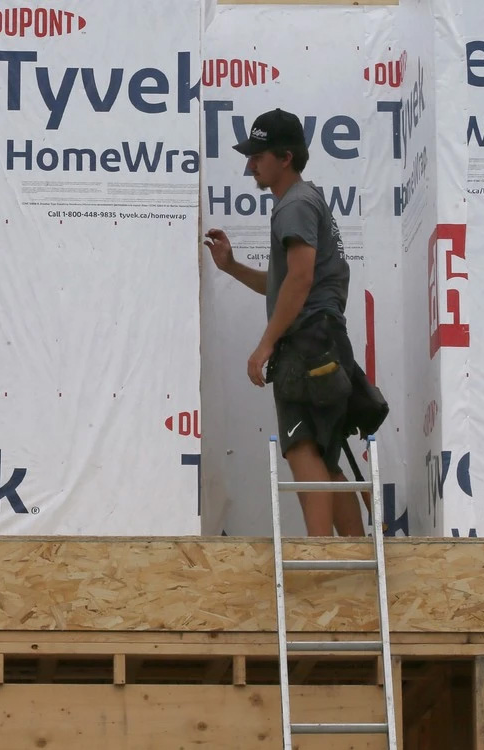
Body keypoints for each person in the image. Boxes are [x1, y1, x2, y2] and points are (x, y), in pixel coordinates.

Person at [205, 108, 364, 537]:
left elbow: (300, 278)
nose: (250, 165)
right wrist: (232, 267)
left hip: (306, 342)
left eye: (258, 156)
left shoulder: (293, 205)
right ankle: (353, 553)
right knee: (326, 455)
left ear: (286, 157)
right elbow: (284, 285)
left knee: (301, 447)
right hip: (324, 338)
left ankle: (320, 555)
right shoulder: (305, 201)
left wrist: (266, 344)